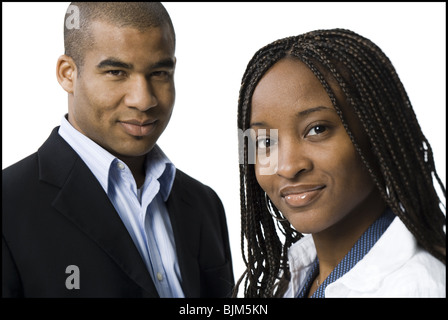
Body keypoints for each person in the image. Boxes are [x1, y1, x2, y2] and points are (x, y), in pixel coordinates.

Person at [2, 2, 234, 298]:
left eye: (160, 72)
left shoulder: (205, 205)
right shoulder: (9, 208)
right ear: (67, 74)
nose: (143, 99)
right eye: (116, 72)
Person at [234, 28, 445, 298]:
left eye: (318, 129)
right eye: (265, 142)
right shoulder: (294, 274)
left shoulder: (417, 288)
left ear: (378, 133)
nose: (287, 166)